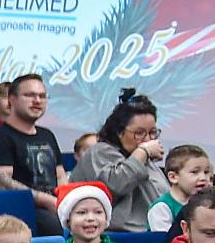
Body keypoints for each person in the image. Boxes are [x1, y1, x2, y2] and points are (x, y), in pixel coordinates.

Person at [69, 93, 163, 231]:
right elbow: (116, 185)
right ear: (120, 132)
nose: (148, 140)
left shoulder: (143, 158)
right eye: (139, 133)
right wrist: (143, 152)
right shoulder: (99, 152)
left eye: (153, 132)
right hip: (113, 235)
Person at [0, 73, 65, 229]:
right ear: (12, 99)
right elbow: (2, 183)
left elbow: (60, 175)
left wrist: (65, 200)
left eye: (42, 96)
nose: (37, 100)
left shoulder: (47, 135)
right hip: (22, 213)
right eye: (29, 95)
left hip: (55, 206)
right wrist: (47, 200)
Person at [147, 143, 215, 233]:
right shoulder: (162, 208)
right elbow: (164, 239)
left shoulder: (206, 203)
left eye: (206, 172)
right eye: (195, 172)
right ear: (173, 177)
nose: (203, 178)